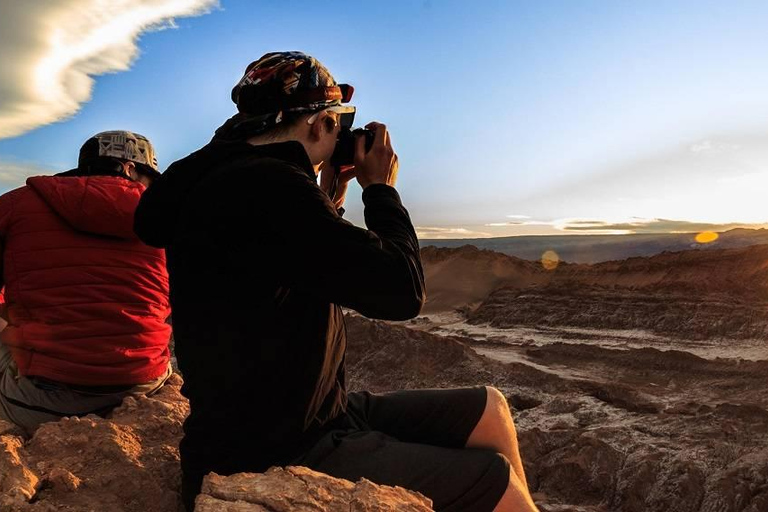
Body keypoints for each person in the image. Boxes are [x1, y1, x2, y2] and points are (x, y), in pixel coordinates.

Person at [134, 51, 538, 512]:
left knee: (489, 407)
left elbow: (290, 257)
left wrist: (327, 196)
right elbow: (401, 291)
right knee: (495, 480)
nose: (342, 134)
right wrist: (381, 190)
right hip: (278, 448)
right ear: (317, 124)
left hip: (315, 414)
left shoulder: (234, 180)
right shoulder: (269, 187)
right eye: (338, 122)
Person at [0, 130, 173, 436]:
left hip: (37, 405)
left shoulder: (16, 205)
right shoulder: (168, 216)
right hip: (145, 388)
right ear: (129, 168)